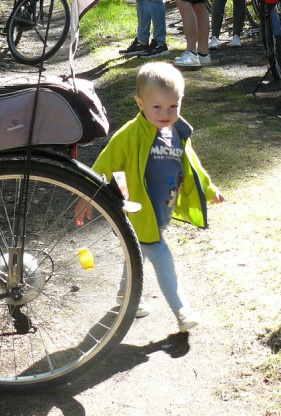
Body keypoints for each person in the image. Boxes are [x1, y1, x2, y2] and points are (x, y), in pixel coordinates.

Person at [78, 61, 224, 332]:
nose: (166, 113)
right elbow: (104, 164)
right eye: (157, 107)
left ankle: (125, 294)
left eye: (173, 106)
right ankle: (182, 311)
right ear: (140, 103)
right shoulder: (131, 135)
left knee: (139, 251)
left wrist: (209, 188)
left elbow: (191, 163)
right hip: (139, 210)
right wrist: (87, 195)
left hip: (161, 210)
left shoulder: (177, 132)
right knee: (161, 257)